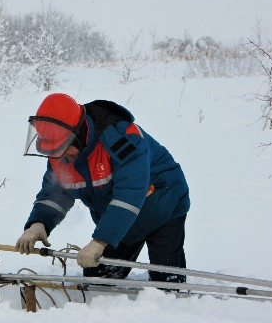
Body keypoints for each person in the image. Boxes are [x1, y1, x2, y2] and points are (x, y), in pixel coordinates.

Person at [16, 93, 189, 283]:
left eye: (63, 148)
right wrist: (39, 223)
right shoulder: (60, 152)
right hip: (119, 220)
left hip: (163, 205)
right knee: (98, 280)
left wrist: (100, 241)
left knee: (167, 283)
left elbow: (129, 194)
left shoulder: (121, 139)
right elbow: (56, 192)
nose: (60, 156)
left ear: (79, 134)